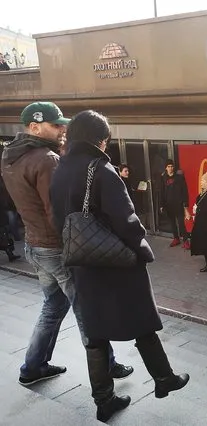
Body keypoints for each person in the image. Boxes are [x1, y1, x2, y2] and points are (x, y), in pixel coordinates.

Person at [50, 110, 189, 422]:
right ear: (101, 139)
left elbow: (57, 216)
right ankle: (164, 378)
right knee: (141, 319)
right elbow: (127, 220)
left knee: (95, 334)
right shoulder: (100, 169)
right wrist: (141, 249)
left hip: (83, 262)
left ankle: (104, 400)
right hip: (115, 260)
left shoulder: (60, 169)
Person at [1, 102, 132, 388]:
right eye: (56, 125)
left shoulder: (10, 156)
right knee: (88, 311)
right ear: (34, 127)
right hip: (58, 249)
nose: (63, 130)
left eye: (64, 124)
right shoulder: (47, 160)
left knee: (52, 307)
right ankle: (106, 371)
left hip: (35, 246)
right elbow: (59, 211)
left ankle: (32, 367)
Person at [159, 159, 191, 248]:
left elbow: (185, 191)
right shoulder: (163, 178)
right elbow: (161, 192)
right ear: (166, 167)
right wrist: (161, 204)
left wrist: (185, 204)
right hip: (168, 204)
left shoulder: (179, 178)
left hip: (179, 204)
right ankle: (176, 238)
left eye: (172, 166)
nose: (170, 168)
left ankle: (185, 241)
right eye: (168, 166)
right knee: (172, 223)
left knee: (181, 224)